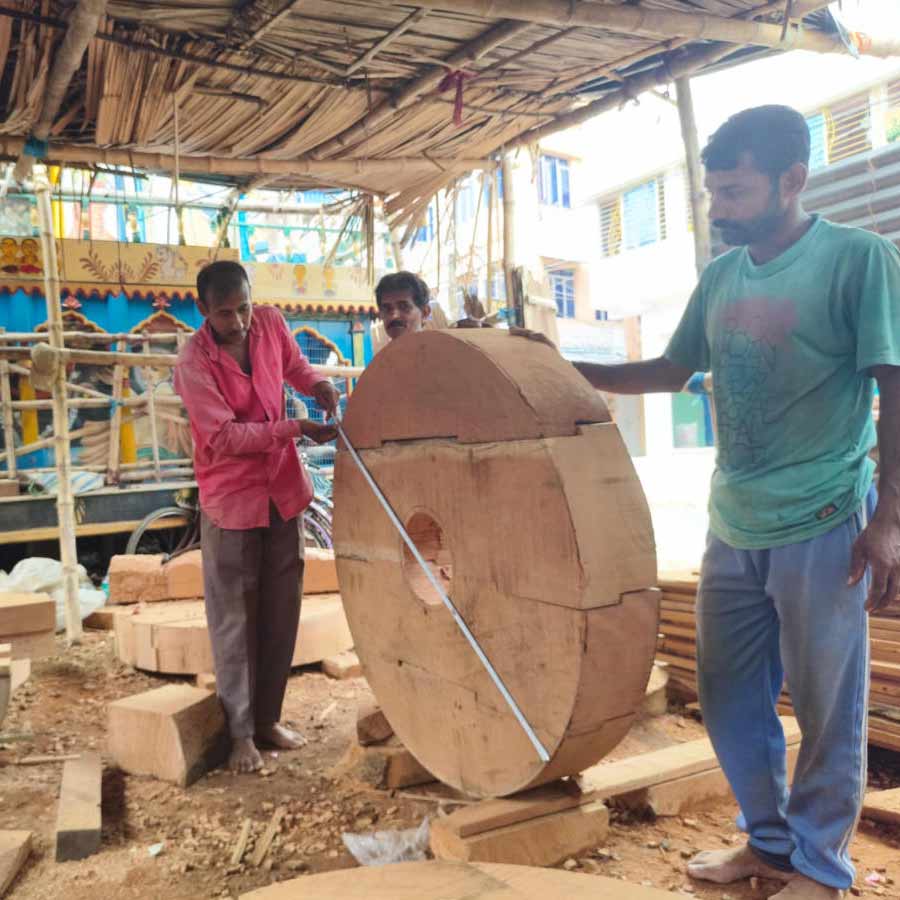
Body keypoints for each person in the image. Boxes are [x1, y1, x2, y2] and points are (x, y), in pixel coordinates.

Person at [573, 106, 900, 900]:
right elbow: (670, 366)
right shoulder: (721, 277)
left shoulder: (859, 259)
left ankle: (821, 867)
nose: (718, 207)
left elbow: (896, 384)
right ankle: (771, 844)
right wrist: (567, 367)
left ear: (793, 181)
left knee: (827, 707)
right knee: (726, 696)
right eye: (713, 191)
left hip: (827, 520)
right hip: (734, 522)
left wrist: (889, 520)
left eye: (735, 190)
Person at [174, 260, 340, 774]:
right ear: (203, 311)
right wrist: (294, 428)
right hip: (231, 500)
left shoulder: (269, 322)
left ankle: (268, 719)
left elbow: (294, 364)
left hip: (283, 492)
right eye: (226, 313)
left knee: (279, 612)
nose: (240, 321)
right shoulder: (193, 363)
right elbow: (223, 438)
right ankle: (240, 734)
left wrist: (318, 384)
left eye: (244, 307)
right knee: (234, 621)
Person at [375, 270, 432, 340]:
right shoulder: (384, 351)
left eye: (403, 307)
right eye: (387, 309)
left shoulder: (443, 349)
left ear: (425, 313)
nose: (394, 316)